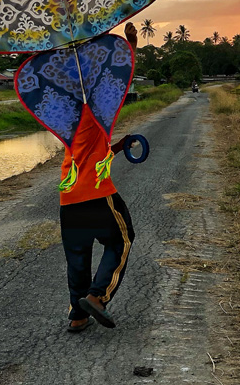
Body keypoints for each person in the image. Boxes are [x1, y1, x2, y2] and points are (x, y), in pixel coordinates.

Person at [61, 22, 139, 333]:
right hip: (96, 193)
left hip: (69, 197)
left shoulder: (67, 118)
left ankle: (77, 315)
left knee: (78, 257)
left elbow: (90, 154)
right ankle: (97, 296)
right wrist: (130, 45)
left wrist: (118, 146)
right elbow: (118, 81)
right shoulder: (94, 109)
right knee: (122, 239)